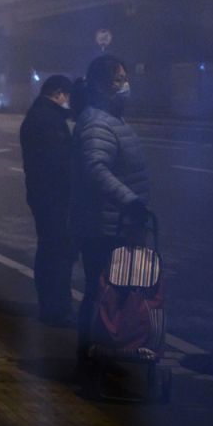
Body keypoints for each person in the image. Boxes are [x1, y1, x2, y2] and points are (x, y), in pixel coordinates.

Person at [70, 54, 151, 374]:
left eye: (125, 79)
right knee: (99, 291)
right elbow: (95, 169)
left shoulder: (111, 118)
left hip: (115, 223)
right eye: (117, 80)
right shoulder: (96, 122)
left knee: (111, 291)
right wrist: (129, 200)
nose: (124, 86)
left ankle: (103, 351)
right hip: (102, 226)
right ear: (101, 86)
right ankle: (91, 356)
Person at [19, 74, 75, 326]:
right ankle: (55, 309)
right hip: (52, 196)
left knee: (50, 249)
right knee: (56, 252)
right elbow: (59, 163)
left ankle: (51, 305)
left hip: (42, 194)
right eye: (68, 96)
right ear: (59, 93)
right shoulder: (48, 120)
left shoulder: (38, 115)